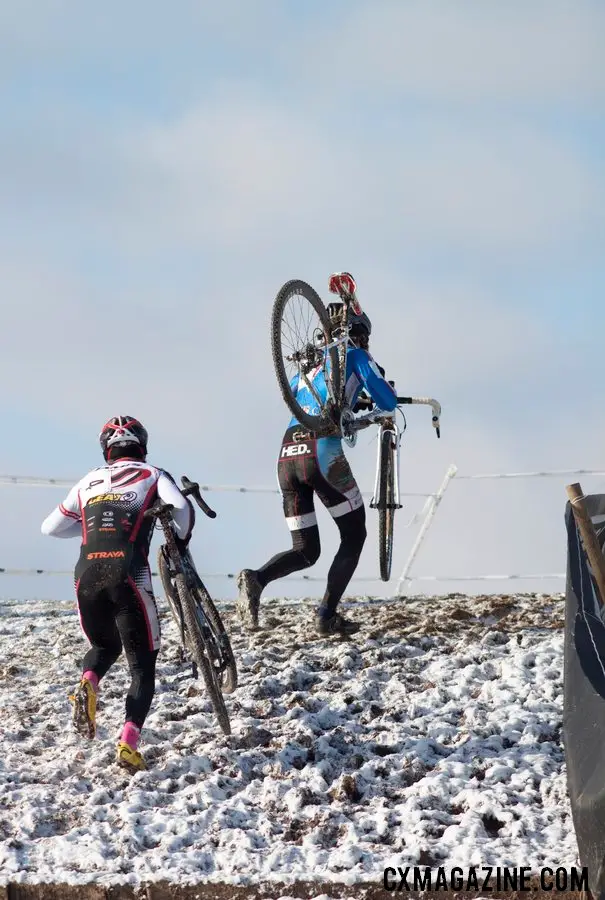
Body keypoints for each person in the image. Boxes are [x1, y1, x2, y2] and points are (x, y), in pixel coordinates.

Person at [236, 281, 397, 637]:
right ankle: (326, 615)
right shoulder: (356, 356)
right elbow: (386, 402)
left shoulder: (306, 369)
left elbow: (309, 398)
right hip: (322, 453)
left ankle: (256, 579)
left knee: (306, 550)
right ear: (362, 335)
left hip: (287, 453)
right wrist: (383, 395)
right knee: (354, 536)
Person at [41, 415, 194, 773]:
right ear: (141, 445)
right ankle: (128, 743)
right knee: (142, 667)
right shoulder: (153, 474)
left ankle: (87, 682)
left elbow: (50, 528)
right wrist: (181, 544)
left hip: (86, 574)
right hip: (129, 572)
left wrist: (88, 526)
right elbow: (183, 509)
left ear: (106, 449)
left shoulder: (87, 480)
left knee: (105, 646)